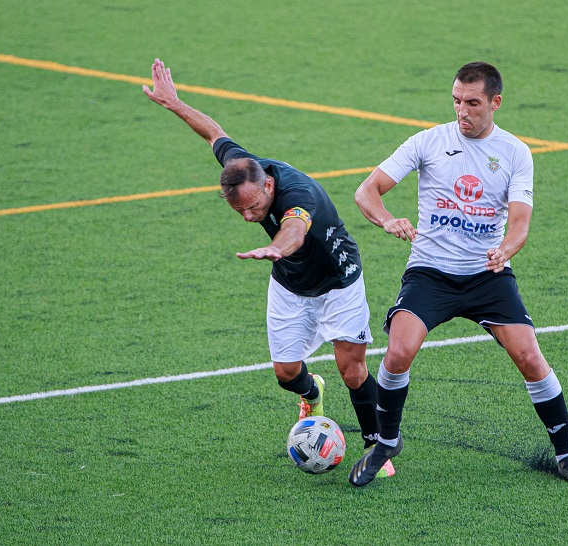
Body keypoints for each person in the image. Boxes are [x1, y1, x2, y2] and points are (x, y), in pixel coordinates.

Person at [348, 62, 568, 487]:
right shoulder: (428, 141)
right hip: (430, 272)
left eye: (473, 103)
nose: (463, 111)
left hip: (487, 275)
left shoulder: (516, 152)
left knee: (530, 358)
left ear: (495, 103)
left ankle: (567, 455)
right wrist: (387, 220)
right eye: (457, 101)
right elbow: (366, 191)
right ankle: (387, 442)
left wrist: (506, 250)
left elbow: (519, 222)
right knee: (397, 353)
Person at [142, 58, 394, 477]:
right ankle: (312, 396)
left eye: (255, 207)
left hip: (338, 281)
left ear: (269, 186)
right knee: (285, 372)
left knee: (352, 369)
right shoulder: (244, 168)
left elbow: (294, 231)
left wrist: (275, 249)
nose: (248, 216)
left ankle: (376, 448)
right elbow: (214, 133)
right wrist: (174, 103)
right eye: (240, 211)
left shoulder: (299, 195)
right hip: (292, 284)